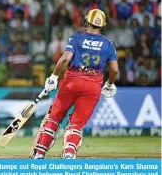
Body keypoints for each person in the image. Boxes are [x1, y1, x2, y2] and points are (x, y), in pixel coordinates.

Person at [31, 9, 118, 159]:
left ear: (87, 21)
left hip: (71, 82)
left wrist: (53, 77)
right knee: (76, 124)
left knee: (54, 118)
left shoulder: (76, 38)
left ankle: (39, 153)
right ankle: (69, 154)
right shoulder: (108, 44)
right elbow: (114, 70)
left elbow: (65, 59)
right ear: (102, 26)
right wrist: (109, 84)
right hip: (93, 87)